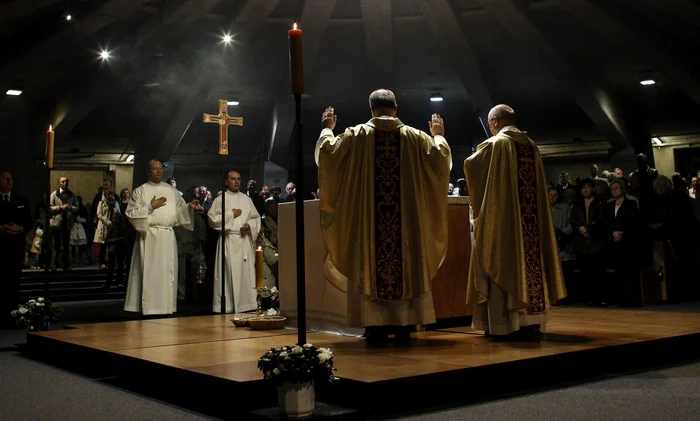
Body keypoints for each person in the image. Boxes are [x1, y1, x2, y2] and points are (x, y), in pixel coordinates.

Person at [315, 88, 452, 342]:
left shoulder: (356, 136)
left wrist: (327, 129)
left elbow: (327, 155)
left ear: (371, 110)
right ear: (396, 108)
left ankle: (374, 326)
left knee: (370, 260)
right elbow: (441, 160)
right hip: (406, 232)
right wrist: (439, 136)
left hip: (371, 233)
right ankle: (404, 324)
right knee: (406, 259)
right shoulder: (416, 138)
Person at [464, 104, 566, 340]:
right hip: (530, 228)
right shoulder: (531, 146)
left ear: (495, 122)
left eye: (490, 124)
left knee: (503, 261)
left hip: (505, 226)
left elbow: (471, 166)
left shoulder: (496, 144)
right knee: (530, 265)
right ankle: (531, 322)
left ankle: (505, 324)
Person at [124, 160, 201, 316]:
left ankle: (165, 307)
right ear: (148, 171)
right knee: (149, 273)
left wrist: (189, 207)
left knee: (167, 272)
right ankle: (148, 307)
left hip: (167, 236)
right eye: (155, 169)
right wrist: (150, 206)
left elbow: (180, 211)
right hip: (149, 236)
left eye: (161, 169)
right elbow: (131, 214)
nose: (159, 171)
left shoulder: (171, 191)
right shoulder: (141, 191)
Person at [208, 170, 261, 313]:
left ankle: (246, 305)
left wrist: (249, 225)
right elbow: (212, 220)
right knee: (228, 273)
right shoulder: (220, 200)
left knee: (245, 274)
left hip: (243, 240)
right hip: (229, 239)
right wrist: (231, 214)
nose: (236, 181)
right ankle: (228, 305)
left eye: (238, 179)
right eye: (233, 179)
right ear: (226, 182)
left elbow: (255, 217)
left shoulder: (246, 199)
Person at [0, 171, 33, 328]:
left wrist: (19, 228)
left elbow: (29, 222)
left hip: (16, 248)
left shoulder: (21, 200)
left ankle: (12, 315)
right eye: (5, 178)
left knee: (14, 283)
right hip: (1, 246)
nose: (8, 181)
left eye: (10, 179)